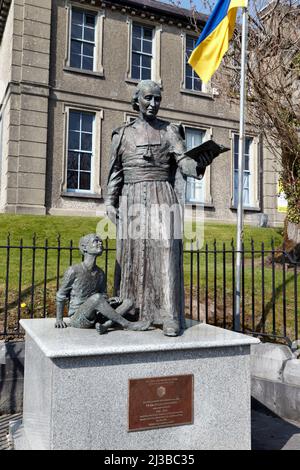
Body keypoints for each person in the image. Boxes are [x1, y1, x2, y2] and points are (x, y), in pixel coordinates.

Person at [105, 80, 215, 337]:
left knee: (166, 247)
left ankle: (169, 315)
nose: (153, 104)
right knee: (132, 253)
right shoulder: (121, 134)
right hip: (131, 197)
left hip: (162, 193)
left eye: (157, 99)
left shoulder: (170, 131)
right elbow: (115, 173)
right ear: (137, 100)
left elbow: (184, 162)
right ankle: (130, 310)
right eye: (148, 99)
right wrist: (110, 202)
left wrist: (200, 164)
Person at [55, 234, 150, 334]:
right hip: (78, 318)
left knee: (128, 302)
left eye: (100, 241)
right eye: (95, 241)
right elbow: (60, 295)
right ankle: (128, 324)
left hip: (96, 315)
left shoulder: (100, 273)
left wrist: (110, 300)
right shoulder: (73, 270)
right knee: (96, 298)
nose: (100, 243)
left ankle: (106, 325)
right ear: (84, 247)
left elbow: (102, 295)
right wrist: (59, 319)